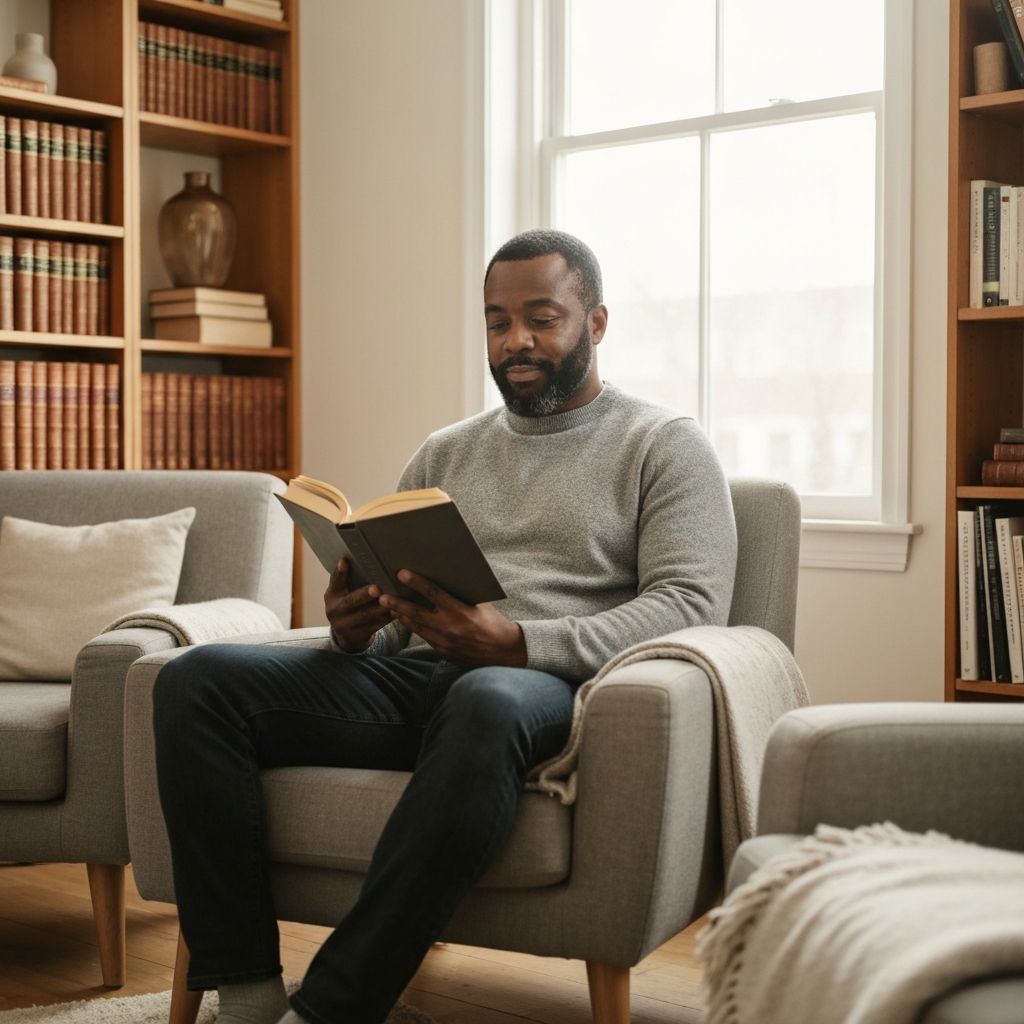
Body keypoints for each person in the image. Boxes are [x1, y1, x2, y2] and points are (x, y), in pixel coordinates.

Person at [152, 229, 738, 1024]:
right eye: (498, 322)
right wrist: (357, 626)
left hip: (546, 690)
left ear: (595, 323)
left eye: (542, 317)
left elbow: (688, 607)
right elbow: (402, 607)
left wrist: (521, 643)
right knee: (193, 680)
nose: (516, 341)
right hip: (423, 680)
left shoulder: (663, 446)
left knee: (486, 696)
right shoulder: (447, 451)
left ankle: (332, 1008)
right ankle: (249, 991)